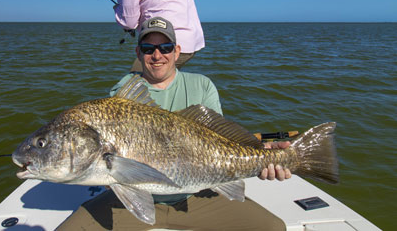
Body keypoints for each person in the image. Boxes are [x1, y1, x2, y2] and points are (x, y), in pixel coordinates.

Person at [58, 17, 291, 230]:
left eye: (165, 47)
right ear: (138, 53)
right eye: (149, 49)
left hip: (198, 197)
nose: (157, 55)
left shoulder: (202, 85)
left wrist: (264, 155)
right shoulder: (124, 90)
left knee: (273, 227)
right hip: (133, 198)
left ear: (177, 52)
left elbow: (226, 144)